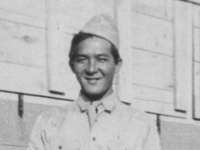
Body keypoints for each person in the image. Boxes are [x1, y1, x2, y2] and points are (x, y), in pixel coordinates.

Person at [27, 14, 161, 150]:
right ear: (72, 65)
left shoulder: (141, 124)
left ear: (117, 65)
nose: (91, 69)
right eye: (82, 59)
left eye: (101, 59)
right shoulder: (49, 122)